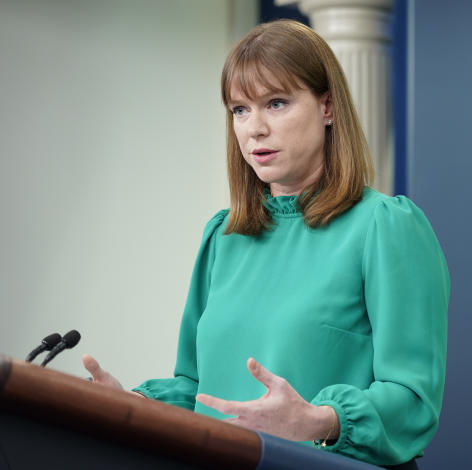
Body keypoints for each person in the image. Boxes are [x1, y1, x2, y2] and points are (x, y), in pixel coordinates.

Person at [82, 19, 449, 468]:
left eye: (276, 103)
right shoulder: (224, 236)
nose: (254, 128)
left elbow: (413, 400)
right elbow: (198, 389)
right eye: (239, 109)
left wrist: (320, 420)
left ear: (327, 107)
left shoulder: (385, 227)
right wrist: (130, 404)